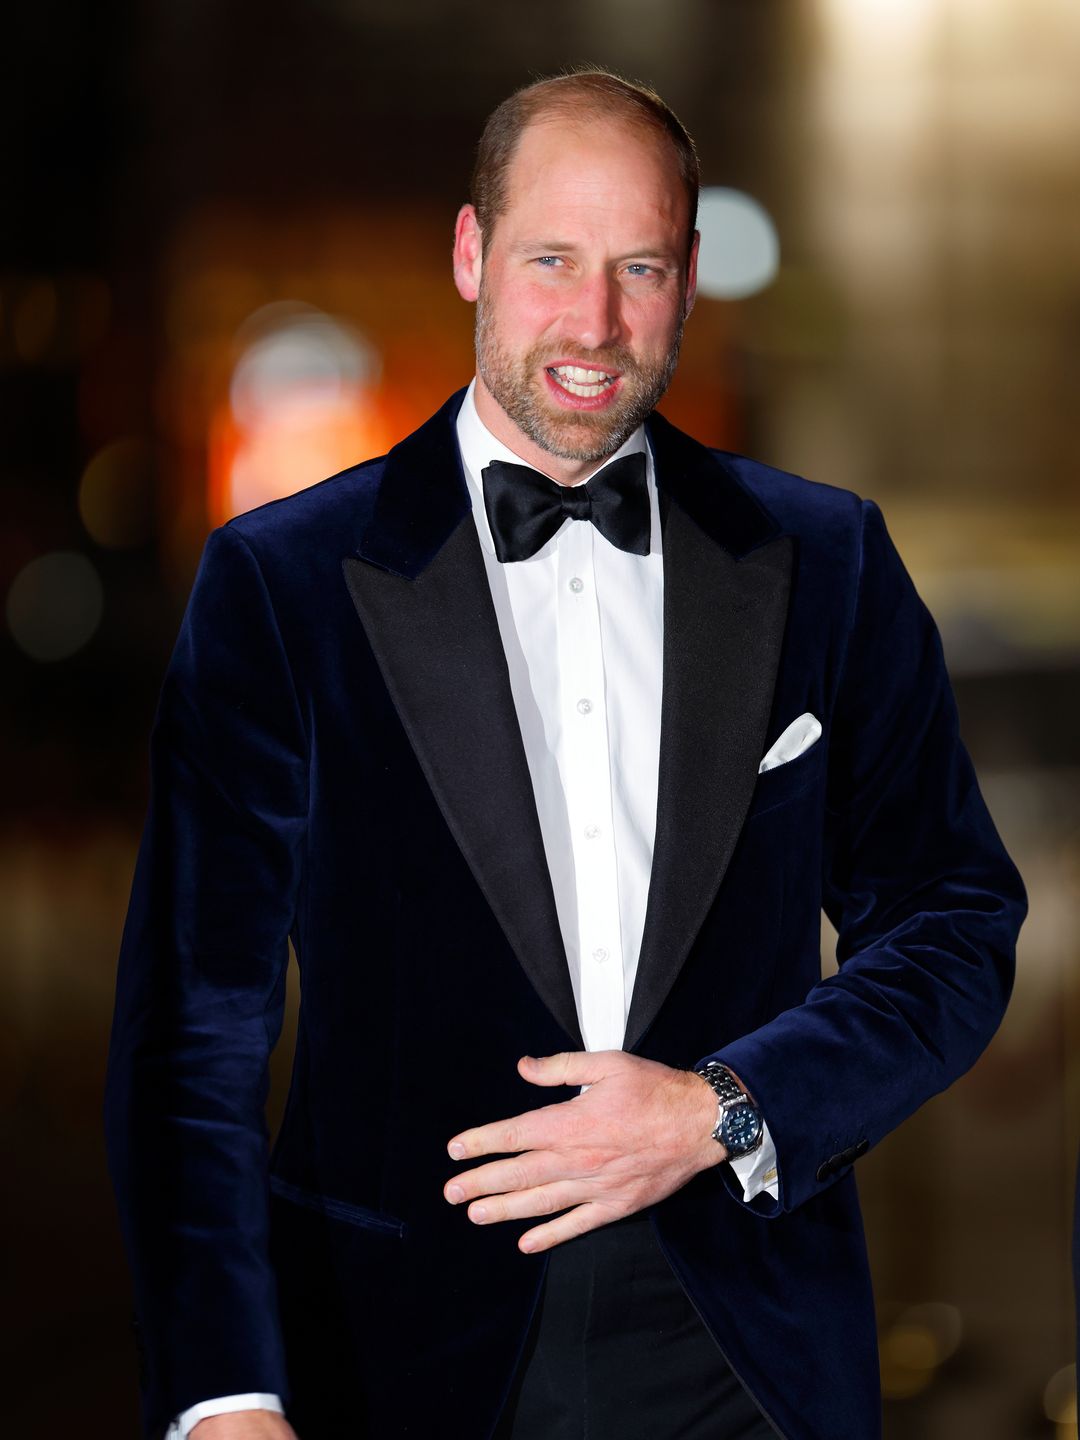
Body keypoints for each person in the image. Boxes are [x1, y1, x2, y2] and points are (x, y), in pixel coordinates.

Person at [105, 69, 1026, 1440]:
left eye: (638, 267)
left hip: (748, 1355)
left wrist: (726, 1105)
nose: (595, 323)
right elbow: (193, 1031)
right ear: (472, 253)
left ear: (691, 277)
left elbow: (955, 924)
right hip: (390, 1359)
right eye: (552, 260)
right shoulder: (279, 584)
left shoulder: (826, 562)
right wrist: (226, 1390)